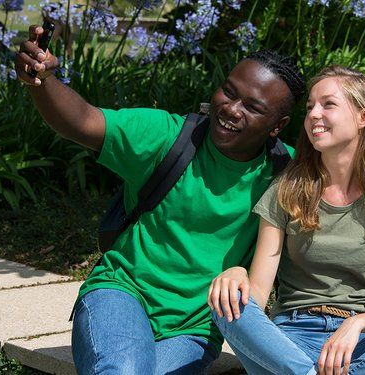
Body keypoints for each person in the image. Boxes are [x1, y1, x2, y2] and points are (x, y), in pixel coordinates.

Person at [15, 24, 306, 374]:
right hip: (121, 295)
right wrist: (43, 81)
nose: (231, 109)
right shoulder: (168, 136)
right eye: (228, 92)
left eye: (252, 107)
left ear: (278, 125)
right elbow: (83, 120)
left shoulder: (286, 174)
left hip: (193, 331)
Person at [208, 65, 365, 375]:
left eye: (328, 104)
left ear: (363, 117)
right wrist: (235, 276)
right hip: (289, 342)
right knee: (225, 300)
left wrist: (356, 324)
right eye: (311, 105)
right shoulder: (287, 190)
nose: (314, 114)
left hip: (360, 344)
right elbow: (258, 293)